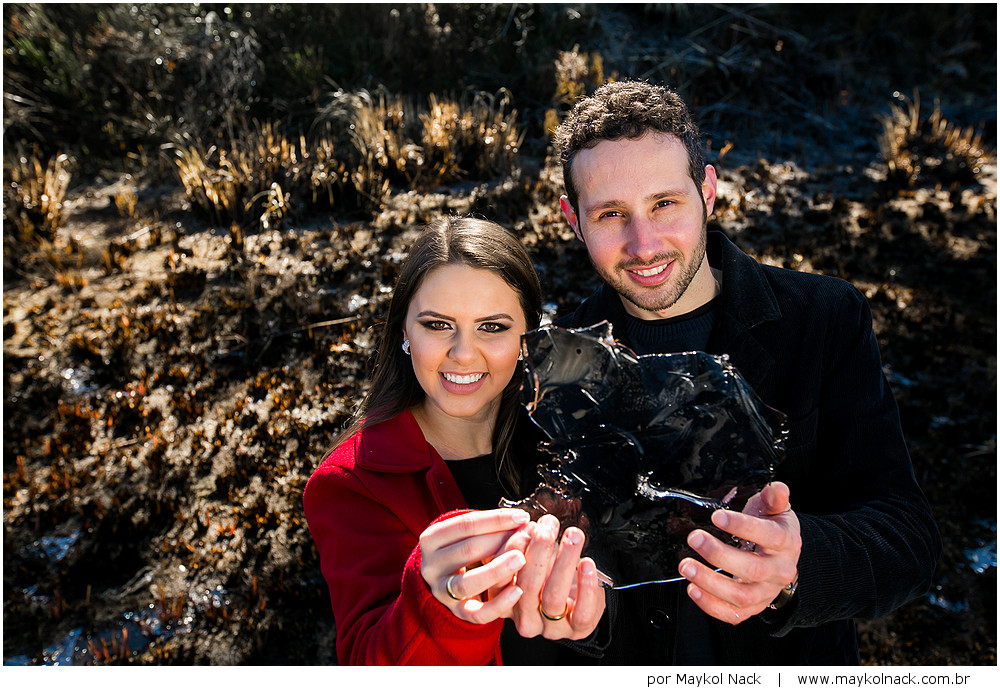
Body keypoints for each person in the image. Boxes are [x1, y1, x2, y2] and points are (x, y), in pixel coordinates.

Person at [549, 79, 941, 664]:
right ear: (573, 220)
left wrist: (797, 564)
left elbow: (908, 539)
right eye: (610, 214)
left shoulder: (824, 320)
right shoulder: (557, 365)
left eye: (664, 203)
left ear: (707, 189)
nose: (644, 242)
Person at [303, 216, 604, 665]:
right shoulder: (352, 483)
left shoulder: (578, 436)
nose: (463, 352)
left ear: (528, 336)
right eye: (438, 324)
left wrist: (594, 624)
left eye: (493, 327)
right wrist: (439, 606)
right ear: (404, 330)